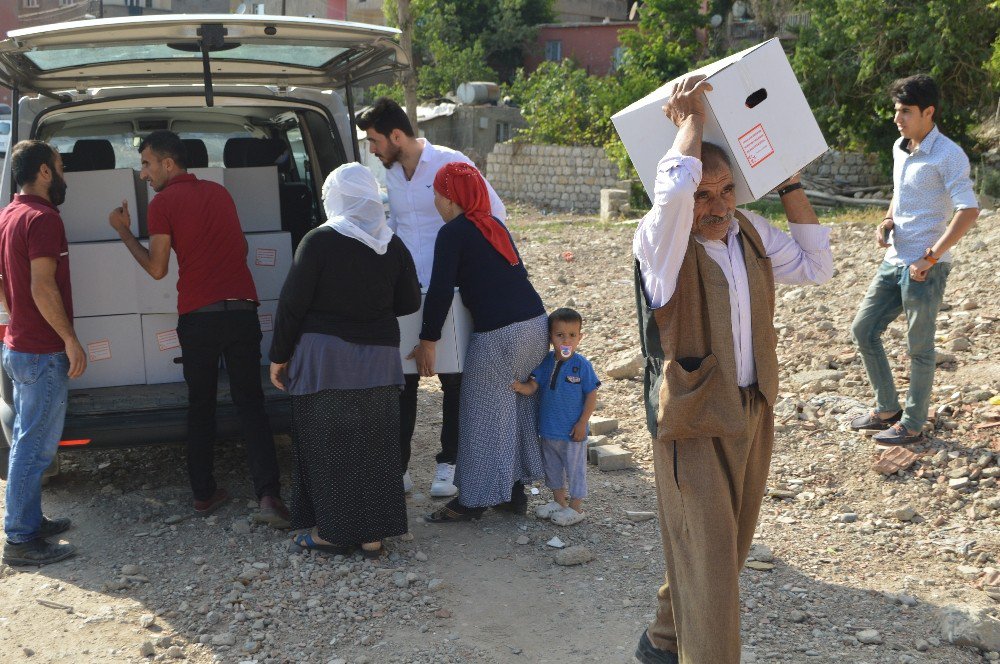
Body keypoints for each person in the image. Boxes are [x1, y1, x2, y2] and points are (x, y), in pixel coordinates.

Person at [632, 76, 834, 664]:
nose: (716, 205)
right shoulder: (661, 243)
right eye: (705, 193)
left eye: (727, 190)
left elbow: (817, 265)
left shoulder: (749, 233)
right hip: (693, 420)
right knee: (715, 569)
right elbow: (672, 197)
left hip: (750, 409)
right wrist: (690, 123)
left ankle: (662, 641)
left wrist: (790, 180)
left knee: (727, 548)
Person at [108, 130, 289, 526]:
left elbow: (157, 269)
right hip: (242, 311)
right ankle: (269, 497)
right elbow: (240, 249)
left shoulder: (163, 203)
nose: (143, 174)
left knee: (201, 405)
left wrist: (122, 230)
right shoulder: (219, 194)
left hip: (199, 317)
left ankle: (204, 494)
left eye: (146, 164)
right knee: (251, 406)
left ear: (168, 164)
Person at [269, 162, 420, 558]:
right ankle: (372, 537)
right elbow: (409, 301)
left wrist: (278, 356)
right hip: (381, 361)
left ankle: (333, 534)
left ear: (335, 198)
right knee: (377, 447)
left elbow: (291, 305)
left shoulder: (318, 241)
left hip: (326, 361)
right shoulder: (392, 243)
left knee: (329, 447)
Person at [357, 98, 506, 498]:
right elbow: (397, 225)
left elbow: (495, 213)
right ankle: (399, 468)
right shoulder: (389, 173)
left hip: (453, 290)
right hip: (405, 290)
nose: (372, 149)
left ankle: (449, 465)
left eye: (374, 141)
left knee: (453, 380)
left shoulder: (448, 161)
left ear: (397, 135)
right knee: (402, 381)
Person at [413, 162, 547, 523]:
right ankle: (512, 494)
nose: (436, 202)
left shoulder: (454, 232)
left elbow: (440, 290)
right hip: (536, 327)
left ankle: (470, 502)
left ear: (451, 197)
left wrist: (427, 340)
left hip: (502, 335)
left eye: (438, 194)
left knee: (479, 414)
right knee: (515, 410)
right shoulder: (493, 225)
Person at [850, 74, 979, 446]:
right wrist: (888, 219)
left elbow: (968, 210)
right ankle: (887, 409)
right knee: (863, 329)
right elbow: (899, 192)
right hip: (895, 259)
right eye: (896, 111)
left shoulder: (949, 155)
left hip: (926, 267)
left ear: (928, 112)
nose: (897, 118)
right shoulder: (900, 147)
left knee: (919, 348)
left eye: (905, 111)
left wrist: (932, 256)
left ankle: (913, 423)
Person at [0, 140, 85, 566]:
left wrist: (17, 318)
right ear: (45, 172)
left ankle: (30, 520)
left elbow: (5, 281)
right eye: (61, 165)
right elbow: (41, 285)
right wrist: (68, 340)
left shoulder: (9, 214)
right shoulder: (44, 218)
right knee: (34, 448)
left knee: (25, 440)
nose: (64, 173)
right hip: (40, 351)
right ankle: (19, 540)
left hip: (18, 346)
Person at [513, 307, 600, 527]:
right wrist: (521, 387)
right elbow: (534, 385)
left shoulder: (582, 366)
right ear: (551, 338)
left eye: (572, 335)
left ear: (580, 337)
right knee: (552, 469)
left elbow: (591, 394)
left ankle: (576, 508)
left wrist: (583, 423)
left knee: (575, 470)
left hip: (572, 433)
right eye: (560, 335)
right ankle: (559, 503)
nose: (566, 340)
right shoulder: (546, 361)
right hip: (548, 430)